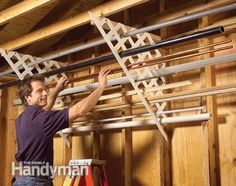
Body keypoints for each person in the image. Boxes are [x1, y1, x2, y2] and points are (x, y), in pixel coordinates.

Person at [13, 69, 110, 186]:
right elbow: (80, 110)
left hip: (22, 180)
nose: (45, 93)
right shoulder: (43, 120)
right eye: (39, 91)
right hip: (37, 182)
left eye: (45, 90)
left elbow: (46, 106)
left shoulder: (21, 118)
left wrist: (58, 89)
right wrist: (101, 87)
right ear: (28, 98)